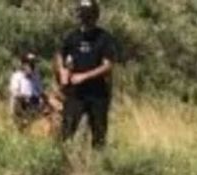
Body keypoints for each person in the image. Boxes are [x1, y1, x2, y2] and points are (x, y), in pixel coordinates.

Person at [55, 0, 117, 149]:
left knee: (99, 134)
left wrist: (85, 76)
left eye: (88, 15)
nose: (84, 19)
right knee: (66, 131)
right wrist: (62, 70)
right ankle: (61, 163)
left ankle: (97, 167)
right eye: (81, 15)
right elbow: (59, 55)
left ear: (95, 16)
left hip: (98, 93)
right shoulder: (72, 37)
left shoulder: (104, 38)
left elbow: (108, 66)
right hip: (76, 93)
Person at [8, 53, 46, 128]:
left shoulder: (36, 77)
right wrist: (25, 97)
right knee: (18, 102)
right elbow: (14, 92)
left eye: (33, 65)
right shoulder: (17, 76)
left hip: (34, 103)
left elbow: (41, 92)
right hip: (21, 104)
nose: (32, 67)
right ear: (23, 65)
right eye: (30, 64)